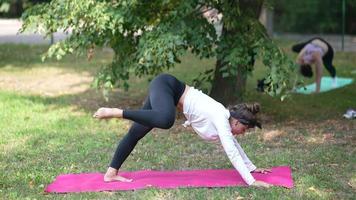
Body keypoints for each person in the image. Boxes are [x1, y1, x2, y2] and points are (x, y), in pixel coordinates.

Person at [93, 74, 272, 188]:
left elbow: (234, 146)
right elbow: (232, 152)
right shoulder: (221, 117)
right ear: (238, 121)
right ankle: (117, 112)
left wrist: (252, 169)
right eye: (245, 129)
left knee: (136, 133)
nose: (243, 133)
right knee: (165, 120)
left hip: (167, 92)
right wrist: (252, 181)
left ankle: (111, 173)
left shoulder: (223, 119)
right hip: (166, 85)